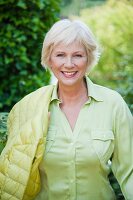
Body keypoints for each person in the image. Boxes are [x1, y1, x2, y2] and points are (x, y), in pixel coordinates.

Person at [0, 19, 133, 200]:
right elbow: (14, 173)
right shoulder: (29, 107)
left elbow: (130, 172)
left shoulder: (113, 104)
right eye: (60, 55)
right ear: (49, 59)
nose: (69, 64)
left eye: (78, 55)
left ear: (89, 58)